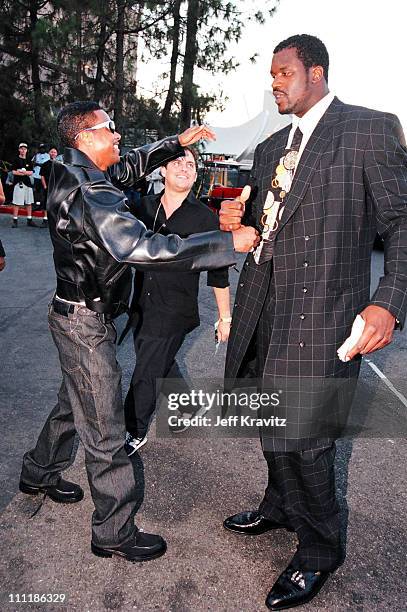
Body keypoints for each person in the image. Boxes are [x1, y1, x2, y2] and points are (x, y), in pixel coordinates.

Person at [19, 101, 258, 564]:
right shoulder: (90, 190)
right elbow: (142, 246)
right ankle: (112, 531)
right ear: (87, 136)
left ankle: (38, 472)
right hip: (84, 322)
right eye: (110, 129)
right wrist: (226, 243)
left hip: (77, 314)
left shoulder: (74, 168)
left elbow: (126, 167)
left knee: (74, 402)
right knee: (106, 428)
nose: (117, 136)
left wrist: (173, 143)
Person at [219, 34, 407, 610]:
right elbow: (261, 222)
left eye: (283, 72)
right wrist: (237, 219)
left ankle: (321, 549)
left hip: (324, 317)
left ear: (316, 73)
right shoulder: (272, 145)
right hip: (260, 310)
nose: (273, 82)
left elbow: (401, 222)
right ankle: (280, 505)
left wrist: (388, 301)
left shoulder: (369, 129)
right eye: (270, 73)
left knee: (308, 442)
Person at [123, 147, 232, 454]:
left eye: (191, 164)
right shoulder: (142, 208)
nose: (185, 167)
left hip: (175, 310)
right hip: (141, 304)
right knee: (158, 361)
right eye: (178, 161)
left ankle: (134, 430)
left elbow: (219, 271)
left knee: (146, 370)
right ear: (162, 170)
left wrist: (225, 317)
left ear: (195, 176)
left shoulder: (204, 218)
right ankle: (189, 406)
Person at [11, 143, 38, 227]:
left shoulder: (29, 160)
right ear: (19, 149)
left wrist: (22, 172)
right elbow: (13, 171)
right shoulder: (15, 159)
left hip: (28, 184)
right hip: (18, 184)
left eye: (25, 149)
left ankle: (29, 220)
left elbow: (31, 172)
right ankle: (15, 220)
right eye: (21, 148)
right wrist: (23, 173)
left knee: (29, 203)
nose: (23, 150)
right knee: (16, 203)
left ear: (26, 150)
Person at [40, 146, 59, 226]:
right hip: (47, 187)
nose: (53, 153)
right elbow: (42, 176)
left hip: (57, 187)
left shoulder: (59, 165)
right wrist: (45, 186)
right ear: (49, 153)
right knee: (46, 203)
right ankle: (45, 220)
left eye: (54, 152)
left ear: (57, 154)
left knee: (56, 203)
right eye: (51, 152)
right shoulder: (45, 164)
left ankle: (55, 221)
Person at [32, 143, 50, 213]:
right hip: (35, 175)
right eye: (41, 148)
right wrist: (34, 163)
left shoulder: (47, 155)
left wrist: (38, 164)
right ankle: (36, 204)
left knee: (43, 191)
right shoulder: (36, 155)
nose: (42, 149)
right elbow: (32, 163)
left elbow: (45, 165)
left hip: (43, 176)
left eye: (43, 148)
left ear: (45, 149)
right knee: (36, 191)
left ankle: (42, 205)